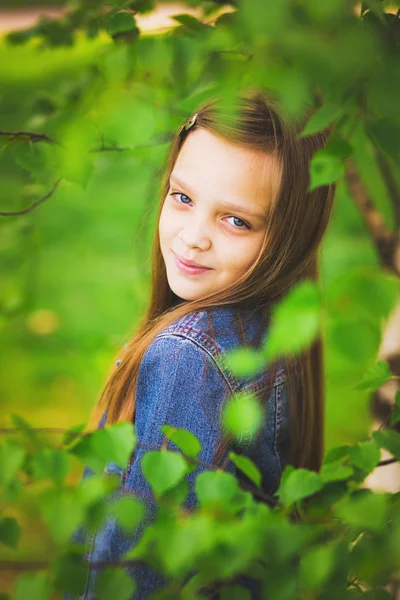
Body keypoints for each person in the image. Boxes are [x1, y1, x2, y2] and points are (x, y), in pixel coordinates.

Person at [67, 87, 336, 599]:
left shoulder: (187, 357)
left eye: (237, 220)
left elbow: (135, 575)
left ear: (289, 237)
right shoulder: (275, 330)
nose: (192, 236)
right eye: (183, 197)